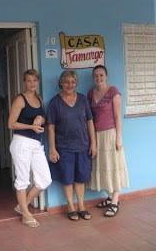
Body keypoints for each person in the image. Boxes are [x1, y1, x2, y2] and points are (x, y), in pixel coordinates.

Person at [47, 70, 96, 221]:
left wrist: (93, 143)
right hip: (63, 147)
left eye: (73, 82)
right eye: (66, 81)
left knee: (80, 178)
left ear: (76, 83)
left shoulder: (82, 99)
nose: (70, 84)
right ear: (61, 83)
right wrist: (52, 148)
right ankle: (70, 206)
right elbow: (51, 127)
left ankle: (81, 206)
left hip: (82, 145)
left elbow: (89, 122)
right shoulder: (55, 102)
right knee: (67, 178)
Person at [8, 69, 52, 228]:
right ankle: (26, 214)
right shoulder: (20, 99)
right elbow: (11, 124)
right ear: (24, 82)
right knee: (23, 180)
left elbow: (42, 120)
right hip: (21, 143)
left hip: (35, 144)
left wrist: (41, 118)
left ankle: (22, 205)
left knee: (45, 180)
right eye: (29, 81)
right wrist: (30, 127)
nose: (32, 83)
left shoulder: (39, 99)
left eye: (35, 80)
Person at [87, 65, 129, 217]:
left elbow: (118, 117)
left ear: (106, 75)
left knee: (114, 166)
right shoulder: (91, 93)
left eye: (101, 75)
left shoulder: (113, 92)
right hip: (97, 136)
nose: (98, 78)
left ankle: (115, 202)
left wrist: (118, 138)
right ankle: (110, 196)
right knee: (103, 167)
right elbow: (89, 116)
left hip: (111, 134)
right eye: (96, 76)